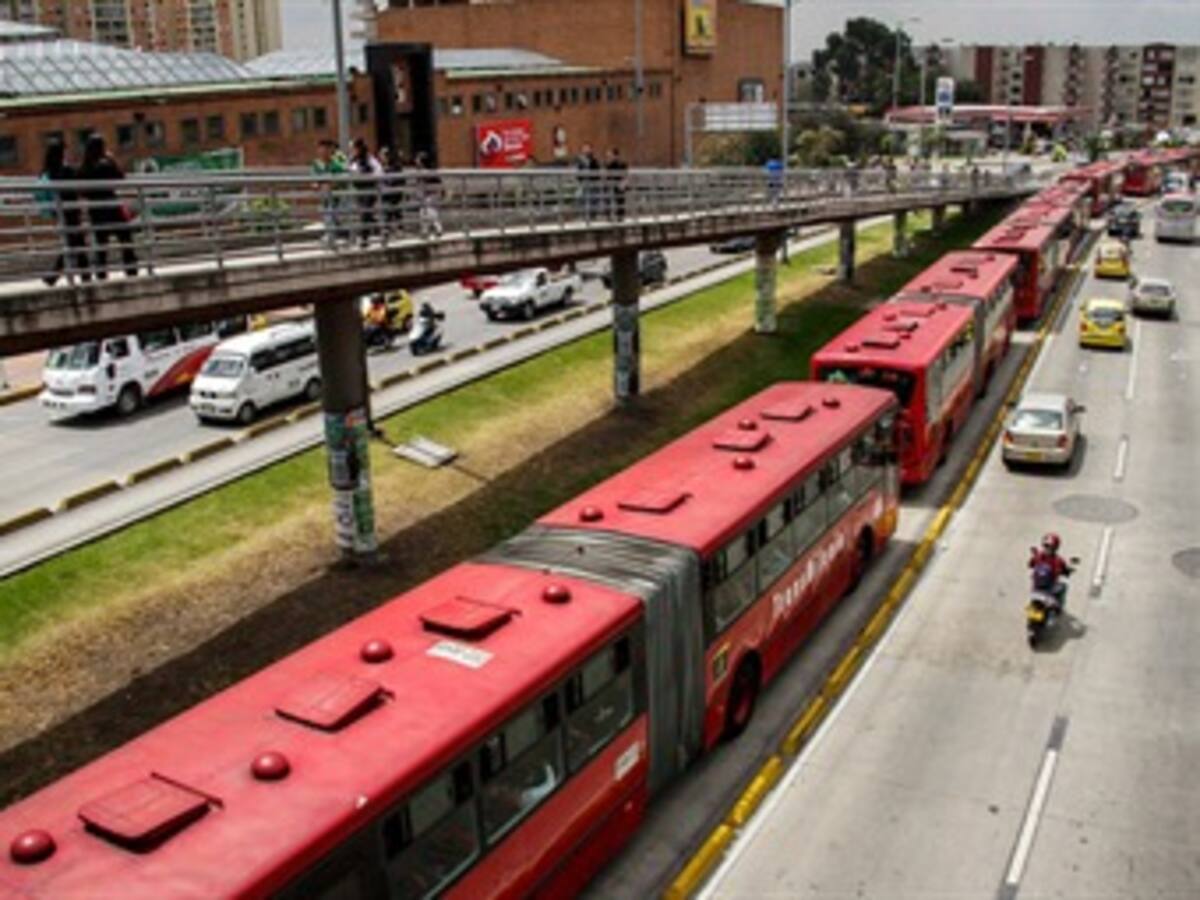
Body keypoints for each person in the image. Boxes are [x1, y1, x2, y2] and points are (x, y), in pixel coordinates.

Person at [80, 135, 137, 279]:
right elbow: (120, 178)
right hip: (111, 205)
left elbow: (82, 190)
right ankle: (131, 269)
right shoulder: (105, 164)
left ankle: (101, 272)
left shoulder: (84, 167)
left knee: (101, 243)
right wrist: (112, 160)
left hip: (95, 209)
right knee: (125, 237)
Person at [40, 142, 92, 286]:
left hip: (59, 211)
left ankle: (82, 276)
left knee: (75, 243)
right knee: (75, 243)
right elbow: (79, 182)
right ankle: (55, 275)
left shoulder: (49, 172)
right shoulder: (66, 170)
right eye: (65, 152)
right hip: (70, 211)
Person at [312, 138, 347, 247]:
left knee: (331, 215)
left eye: (327, 149)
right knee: (327, 215)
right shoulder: (316, 164)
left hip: (335, 196)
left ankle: (331, 237)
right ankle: (334, 236)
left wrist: (333, 183)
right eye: (322, 149)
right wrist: (317, 184)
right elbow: (314, 179)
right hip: (323, 196)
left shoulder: (336, 164)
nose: (324, 152)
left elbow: (344, 179)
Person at [349, 138, 383, 247]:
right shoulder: (354, 160)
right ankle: (381, 229)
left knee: (365, 214)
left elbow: (379, 172)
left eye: (354, 148)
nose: (353, 150)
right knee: (366, 215)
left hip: (369, 189)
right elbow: (350, 171)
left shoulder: (369, 159)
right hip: (359, 190)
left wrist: (367, 175)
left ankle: (364, 238)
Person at [1029, 533, 1073, 606]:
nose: (1047, 548)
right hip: (1050, 588)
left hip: (1036, 587)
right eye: (1046, 546)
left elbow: (1030, 564)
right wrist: (1067, 572)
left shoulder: (1037, 556)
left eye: (1048, 547)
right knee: (1064, 586)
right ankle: (1058, 605)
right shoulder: (1058, 560)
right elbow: (1065, 570)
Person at [413, 152, 443, 238]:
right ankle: (426, 231)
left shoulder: (427, 171)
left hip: (430, 195)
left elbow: (435, 184)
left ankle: (436, 229)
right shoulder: (421, 171)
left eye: (418, 159)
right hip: (425, 195)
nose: (416, 160)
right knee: (424, 212)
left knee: (428, 211)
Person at [576, 143, 601, 221]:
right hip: (583, 183)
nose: (585, 150)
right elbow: (579, 172)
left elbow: (596, 171)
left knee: (592, 199)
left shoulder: (594, 160)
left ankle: (592, 216)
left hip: (592, 183)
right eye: (584, 148)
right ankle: (583, 215)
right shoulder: (580, 161)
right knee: (580, 198)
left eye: (586, 148)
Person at [605, 147, 629, 220]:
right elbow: (607, 174)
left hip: (619, 184)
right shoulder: (608, 164)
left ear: (615, 155)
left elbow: (625, 174)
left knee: (620, 200)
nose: (609, 157)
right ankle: (609, 216)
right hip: (611, 184)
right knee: (608, 199)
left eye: (610, 155)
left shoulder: (622, 163)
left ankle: (620, 217)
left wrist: (624, 183)